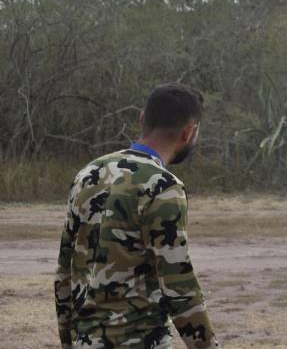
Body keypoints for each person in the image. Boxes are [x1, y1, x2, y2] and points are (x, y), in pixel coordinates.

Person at [55, 83, 219, 348]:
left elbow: (65, 268)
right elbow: (179, 286)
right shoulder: (163, 186)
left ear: (142, 119)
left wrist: (67, 339)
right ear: (189, 133)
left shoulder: (87, 174)